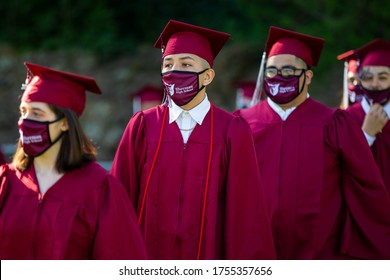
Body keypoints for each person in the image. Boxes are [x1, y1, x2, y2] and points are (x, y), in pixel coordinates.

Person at [110, 20, 275, 260]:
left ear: (207, 76)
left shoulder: (231, 130)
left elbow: (245, 213)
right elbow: (118, 203)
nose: (174, 71)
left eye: (186, 64)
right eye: (168, 64)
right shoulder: (143, 126)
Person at [235, 26, 390, 259]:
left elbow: (363, 187)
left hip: (319, 253)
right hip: (254, 251)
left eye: (288, 70)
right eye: (272, 71)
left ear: (307, 76)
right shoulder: (242, 122)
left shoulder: (333, 122)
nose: (279, 77)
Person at [0, 62, 147, 260]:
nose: (25, 121)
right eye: (23, 111)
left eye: (37, 113)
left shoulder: (99, 189)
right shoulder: (6, 182)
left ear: (63, 123)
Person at [345, 38, 390, 194]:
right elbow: (338, 168)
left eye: (383, 78)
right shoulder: (345, 118)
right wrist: (366, 135)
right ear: (360, 80)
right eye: (368, 77)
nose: (375, 84)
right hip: (361, 208)